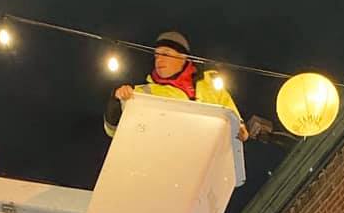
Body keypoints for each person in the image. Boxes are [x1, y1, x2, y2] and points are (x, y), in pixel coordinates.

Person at [104, 31, 249, 141]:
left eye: (166, 54)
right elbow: (112, 131)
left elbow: (230, 111)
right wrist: (116, 102)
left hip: (208, 163)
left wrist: (240, 127)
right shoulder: (142, 93)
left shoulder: (211, 82)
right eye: (156, 55)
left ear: (183, 57)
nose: (159, 60)